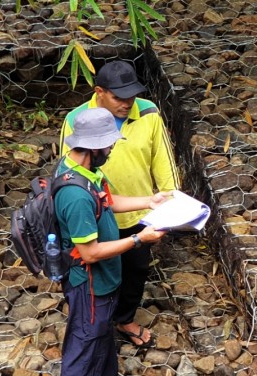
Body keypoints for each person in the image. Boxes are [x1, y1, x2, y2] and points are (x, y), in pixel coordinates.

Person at [54, 107, 170, 376]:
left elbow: (107, 200)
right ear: (93, 147)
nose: (112, 150)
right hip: (88, 283)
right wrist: (138, 239)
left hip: (104, 280)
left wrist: (150, 200)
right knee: (85, 340)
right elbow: (88, 253)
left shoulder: (87, 172)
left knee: (102, 328)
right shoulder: (74, 195)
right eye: (109, 145)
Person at [60, 60, 179, 348]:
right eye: (118, 97)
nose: (127, 103)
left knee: (136, 270)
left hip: (138, 209)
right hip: (96, 214)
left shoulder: (148, 113)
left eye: (132, 96)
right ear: (99, 92)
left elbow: (164, 164)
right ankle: (94, 325)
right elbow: (68, 170)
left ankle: (124, 319)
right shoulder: (77, 119)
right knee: (99, 270)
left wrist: (171, 202)